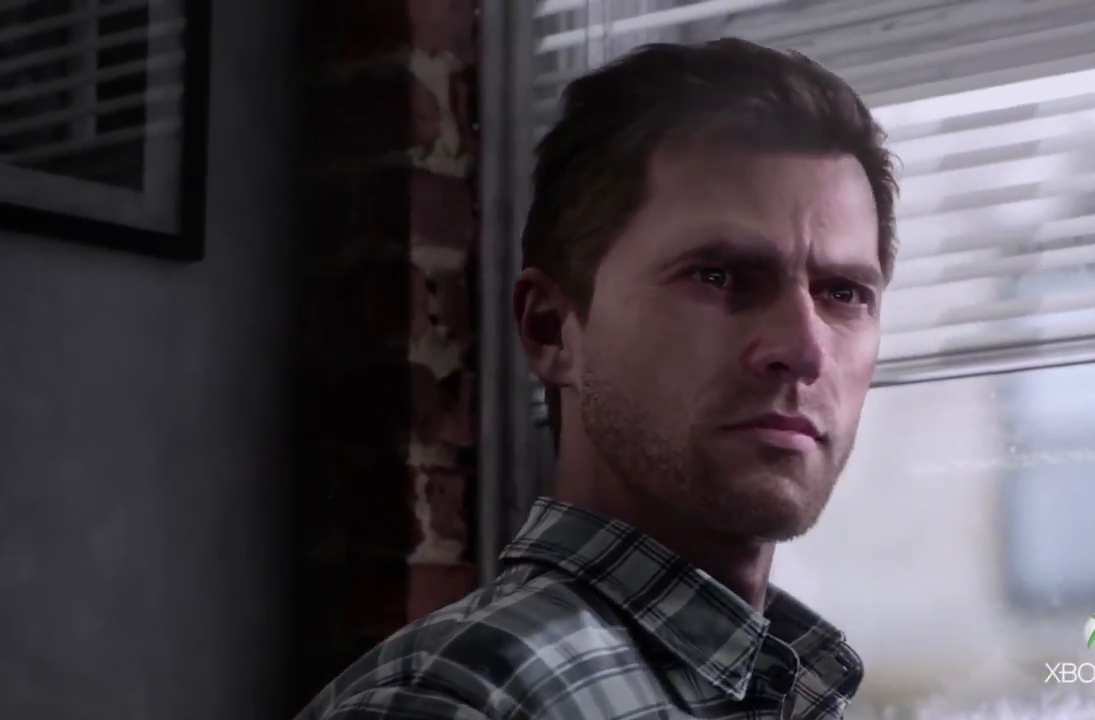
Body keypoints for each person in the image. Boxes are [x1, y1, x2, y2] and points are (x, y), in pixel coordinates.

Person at [298, 37, 897, 720]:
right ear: (552, 330)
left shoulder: (780, 688)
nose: (805, 350)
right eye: (719, 276)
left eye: (844, 293)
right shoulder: (457, 704)